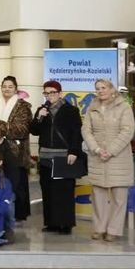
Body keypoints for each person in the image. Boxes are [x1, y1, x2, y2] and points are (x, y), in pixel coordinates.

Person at [83, 78, 135, 242]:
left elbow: (127, 131)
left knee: (119, 197)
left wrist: (111, 151)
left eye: (103, 87)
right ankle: (99, 228)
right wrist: (96, 149)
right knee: (98, 195)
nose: (100, 91)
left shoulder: (124, 107)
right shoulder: (92, 107)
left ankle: (113, 230)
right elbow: (86, 130)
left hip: (118, 157)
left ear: (112, 89)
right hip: (98, 156)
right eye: (97, 88)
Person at [30, 80, 83, 235]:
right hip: (45, 157)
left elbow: (76, 133)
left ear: (60, 93)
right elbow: (34, 131)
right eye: (46, 93)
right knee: (47, 191)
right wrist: (39, 117)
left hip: (63, 156)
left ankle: (65, 224)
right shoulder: (42, 110)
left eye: (53, 92)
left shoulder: (70, 110)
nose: (49, 95)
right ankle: (51, 223)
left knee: (64, 191)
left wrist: (74, 151)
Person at [0, 75, 33, 222]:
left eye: (10, 87)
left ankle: (19, 214)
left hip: (16, 151)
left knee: (17, 183)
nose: (7, 89)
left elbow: (22, 129)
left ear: (16, 89)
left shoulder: (23, 106)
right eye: (4, 86)